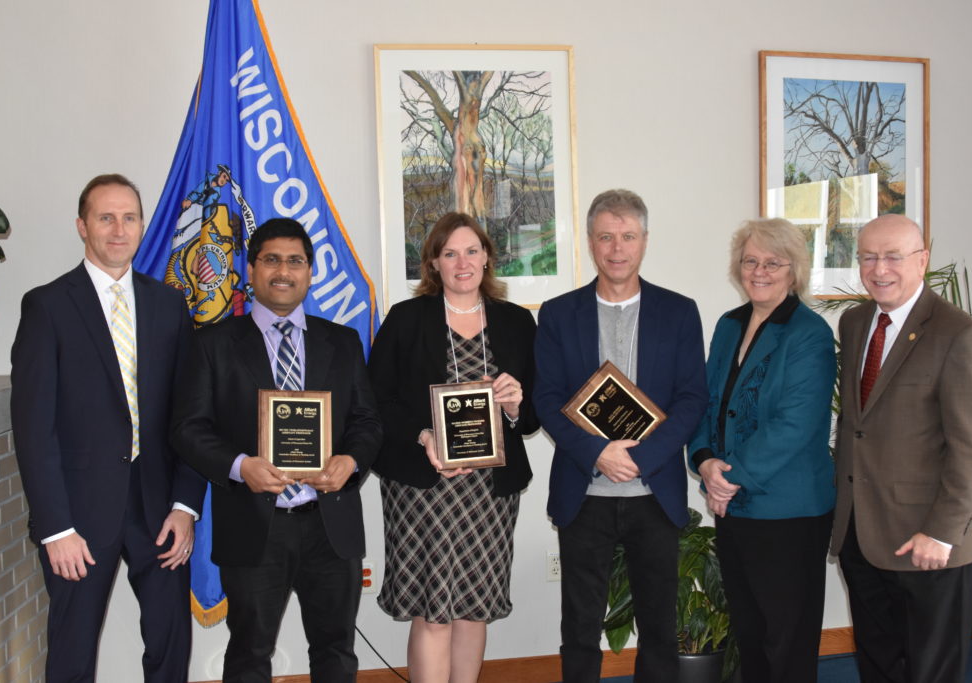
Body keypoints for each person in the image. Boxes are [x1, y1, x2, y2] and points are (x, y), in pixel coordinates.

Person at [10, 173, 206, 682]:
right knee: (72, 655)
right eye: (106, 217)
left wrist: (186, 506)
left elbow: (190, 415)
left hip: (160, 512)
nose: (119, 229)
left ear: (142, 226)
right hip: (77, 519)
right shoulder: (47, 307)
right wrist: (55, 528)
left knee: (170, 649)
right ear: (82, 226)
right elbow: (33, 429)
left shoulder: (169, 305)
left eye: (130, 217)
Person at [170, 218, 382, 682]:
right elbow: (187, 428)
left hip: (330, 523)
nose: (283, 271)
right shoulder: (213, 344)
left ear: (309, 272)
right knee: (249, 653)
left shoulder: (342, 342)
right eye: (271, 259)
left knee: (336, 651)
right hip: (253, 525)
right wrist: (240, 466)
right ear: (251, 269)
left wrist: (350, 461)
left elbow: (367, 422)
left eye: (295, 261)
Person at [534, 189, 707, 682]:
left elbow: (692, 398)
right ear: (590, 242)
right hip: (583, 491)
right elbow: (545, 399)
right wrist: (599, 454)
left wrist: (642, 458)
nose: (616, 248)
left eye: (627, 236)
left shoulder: (679, 312)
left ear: (644, 241)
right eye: (606, 236)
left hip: (654, 491)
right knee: (580, 626)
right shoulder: (558, 313)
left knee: (659, 626)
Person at [367, 212, 538, 683]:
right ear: (434, 264)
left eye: (471, 250)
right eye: (449, 253)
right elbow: (375, 401)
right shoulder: (406, 319)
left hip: (489, 493)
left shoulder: (518, 322)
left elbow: (533, 415)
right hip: (425, 486)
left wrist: (513, 406)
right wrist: (423, 436)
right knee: (434, 612)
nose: (462, 262)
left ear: (486, 257)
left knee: (473, 608)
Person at [832, 214, 972, 683]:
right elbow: (858, 426)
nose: (879, 268)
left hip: (928, 541)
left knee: (931, 672)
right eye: (868, 257)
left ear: (922, 261)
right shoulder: (855, 321)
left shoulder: (958, 334)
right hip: (863, 534)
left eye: (893, 257)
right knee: (878, 663)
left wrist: (941, 533)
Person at [687, 218, 835, 682]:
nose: (760, 271)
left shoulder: (809, 333)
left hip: (789, 510)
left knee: (787, 638)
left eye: (773, 262)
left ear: (794, 271)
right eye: (751, 260)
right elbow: (706, 401)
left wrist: (725, 481)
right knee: (749, 631)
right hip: (735, 507)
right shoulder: (729, 325)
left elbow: (796, 425)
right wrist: (705, 460)